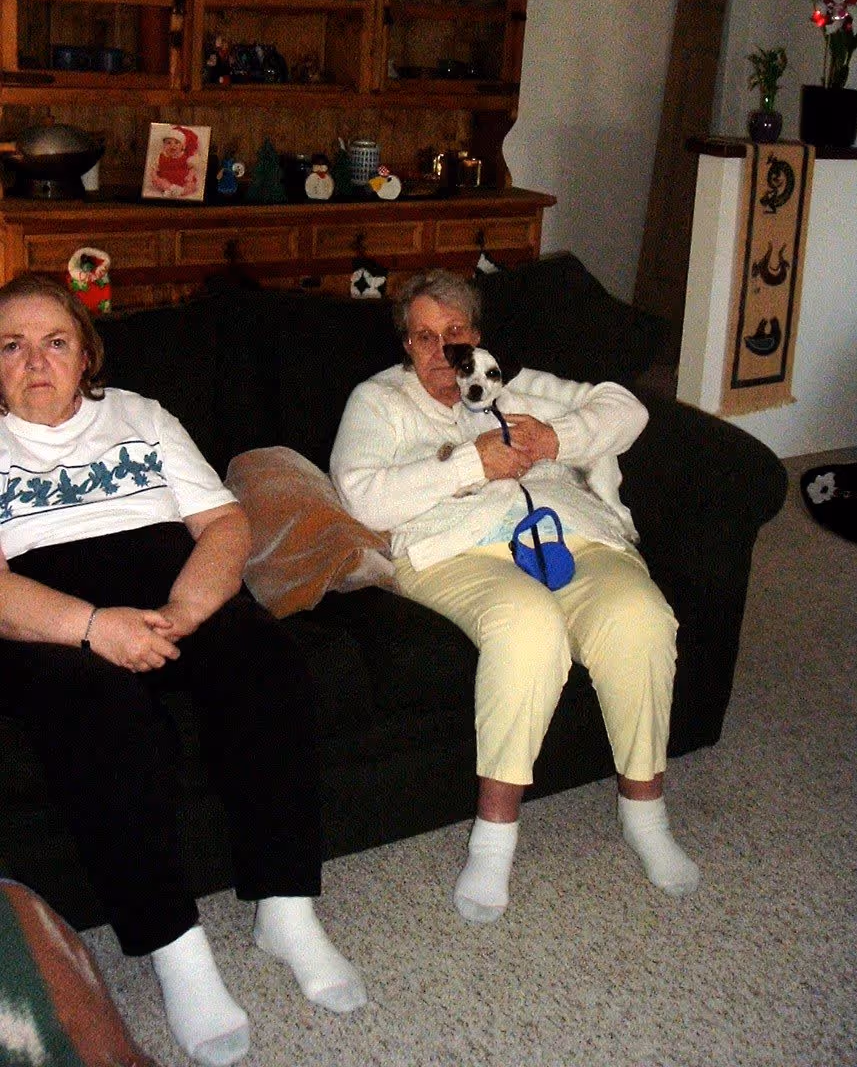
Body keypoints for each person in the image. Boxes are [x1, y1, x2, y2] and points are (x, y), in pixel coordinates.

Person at [0, 274, 366, 1067]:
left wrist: (189, 611)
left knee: (267, 664)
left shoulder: (140, 414)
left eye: (55, 341)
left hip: (173, 591)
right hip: (49, 616)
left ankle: (288, 906)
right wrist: (96, 629)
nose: (36, 359)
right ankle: (177, 951)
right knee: (103, 717)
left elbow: (224, 522)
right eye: (12, 345)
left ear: (85, 354)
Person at [329, 269, 699, 924]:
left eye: (456, 333)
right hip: (454, 548)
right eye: (424, 337)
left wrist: (557, 440)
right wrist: (473, 462)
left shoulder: (518, 385)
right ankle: (493, 840)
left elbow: (628, 409)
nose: (444, 352)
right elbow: (361, 493)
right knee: (528, 628)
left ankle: (646, 814)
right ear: (406, 347)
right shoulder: (378, 401)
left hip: (566, 530)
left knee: (639, 616)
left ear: (478, 335)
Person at [148, 126, 201, 197]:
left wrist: (190, 176)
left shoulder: (186, 157)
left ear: (183, 146)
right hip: (166, 179)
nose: (172, 145)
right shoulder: (161, 157)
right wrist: (154, 177)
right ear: (164, 145)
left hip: (183, 180)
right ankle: (171, 189)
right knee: (160, 182)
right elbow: (154, 168)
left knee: (192, 186)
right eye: (168, 143)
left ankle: (180, 191)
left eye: (176, 143)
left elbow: (192, 168)